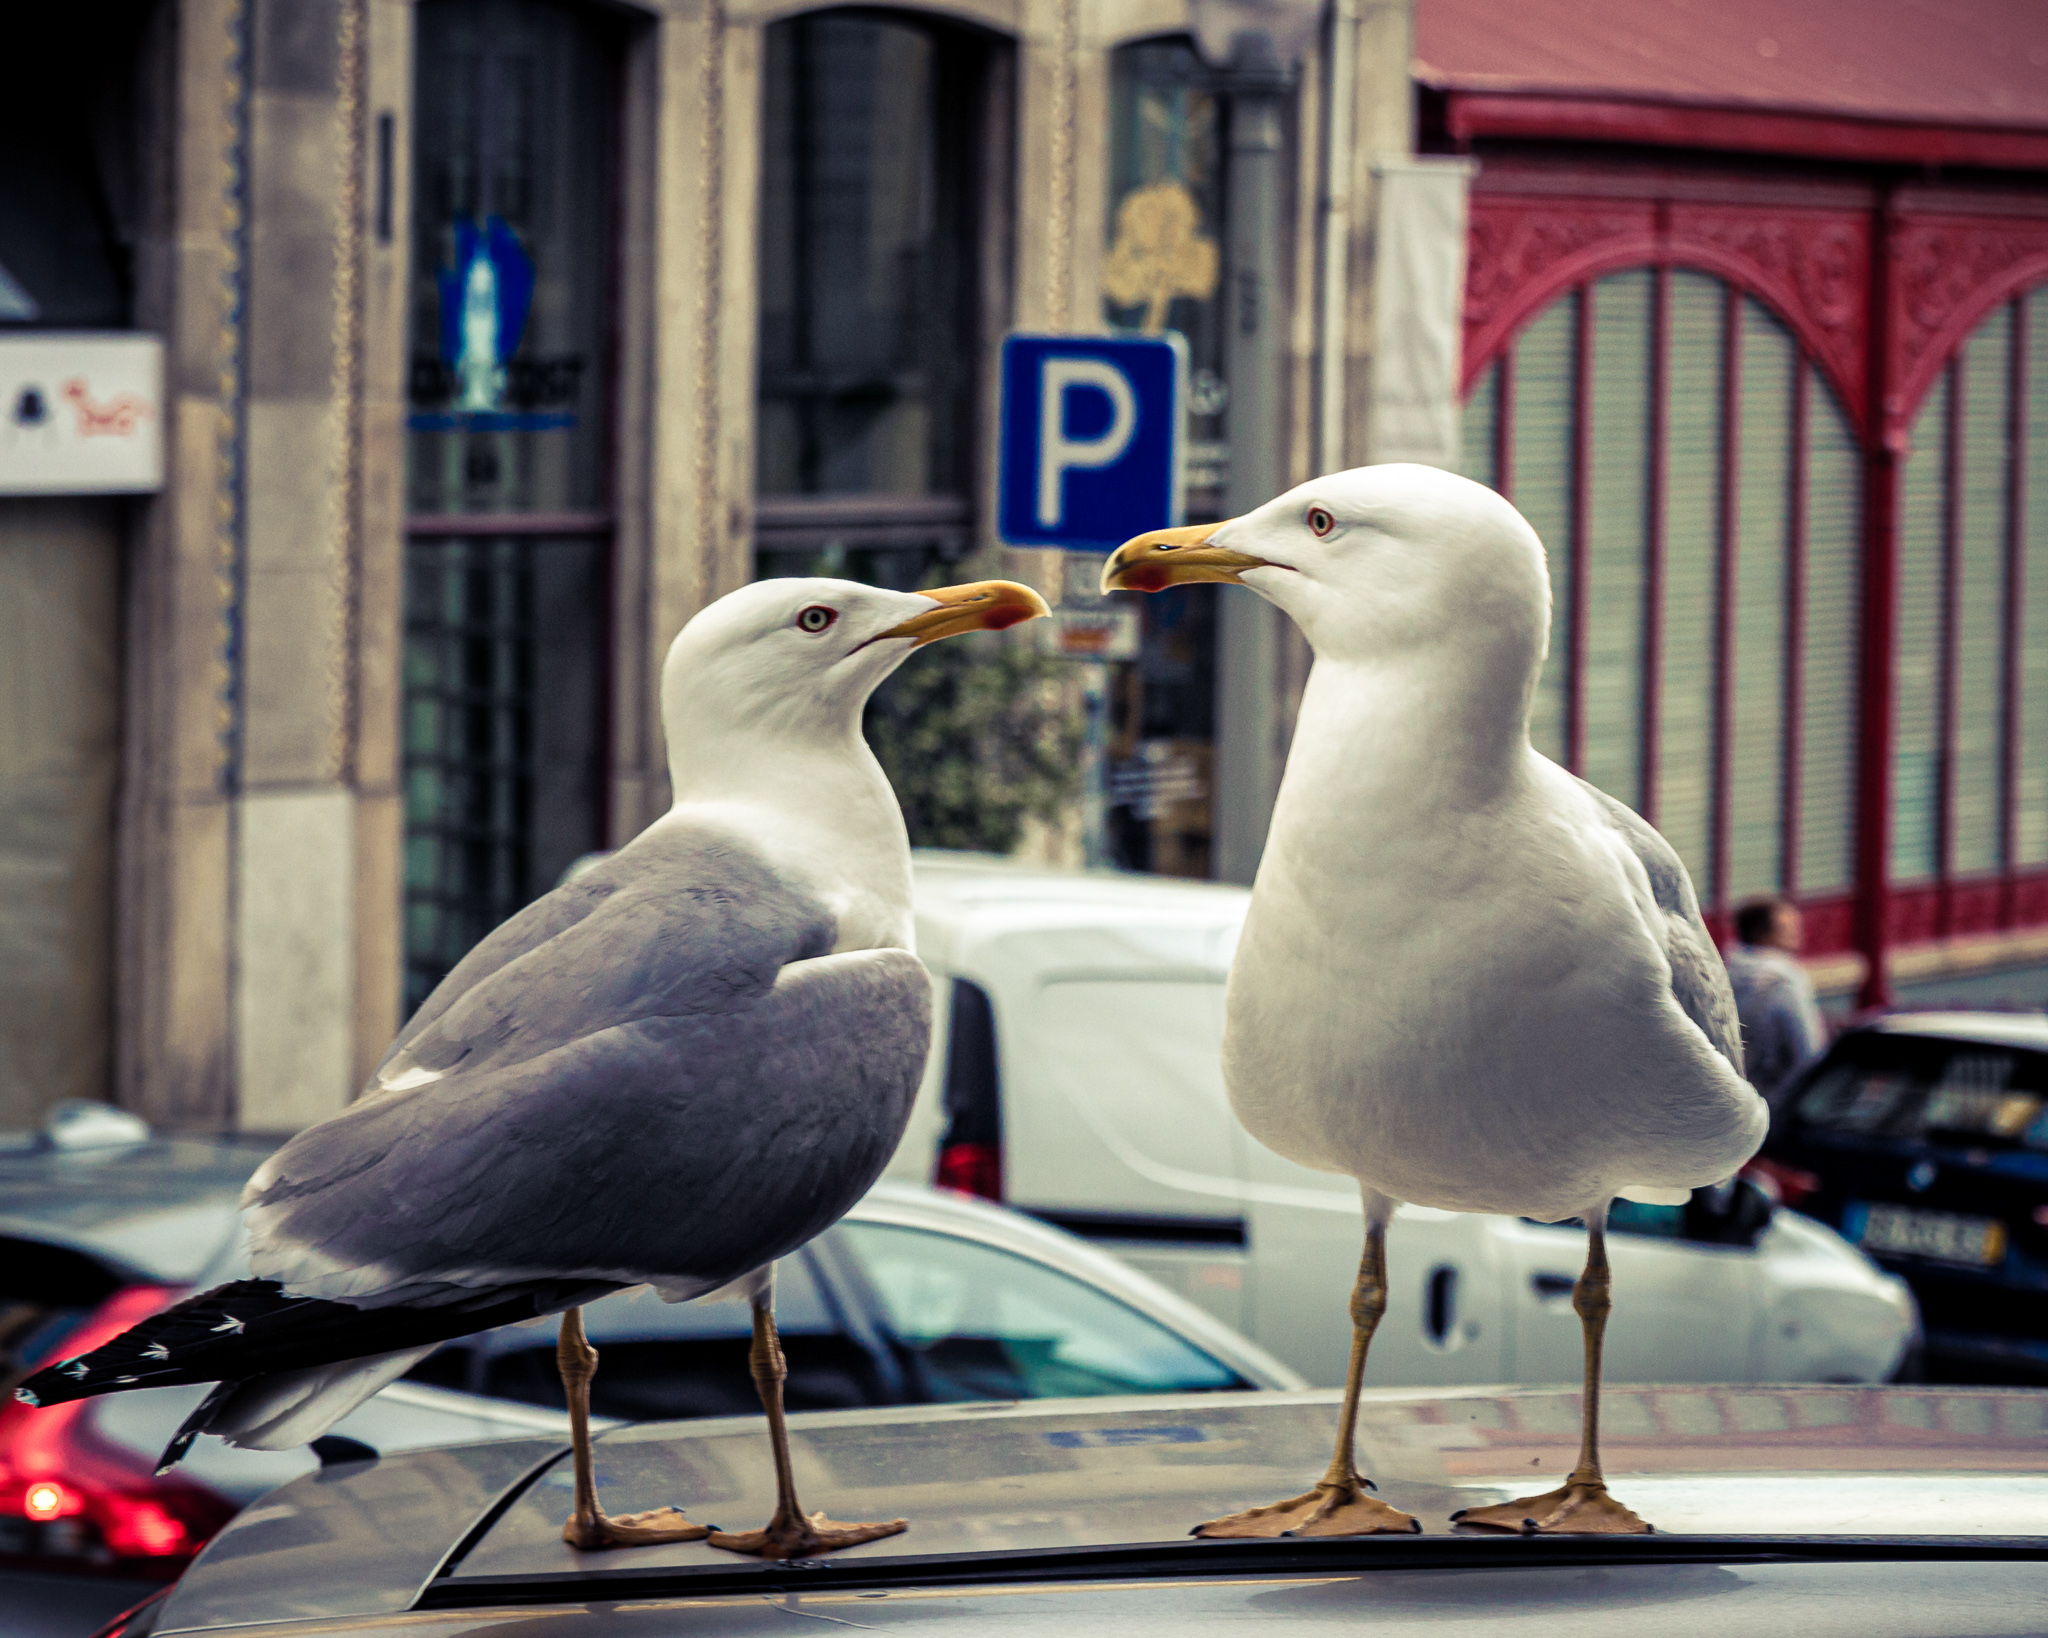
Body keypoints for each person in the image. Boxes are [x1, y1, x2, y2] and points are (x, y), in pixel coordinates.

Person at [1725, 897, 1828, 1109]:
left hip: (1732, 1100)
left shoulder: (1724, 974)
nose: (1797, 933)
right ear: (1760, 933)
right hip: (1776, 1105)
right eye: (1786, 928)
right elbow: (1808, 1053)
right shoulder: (1785, 982)